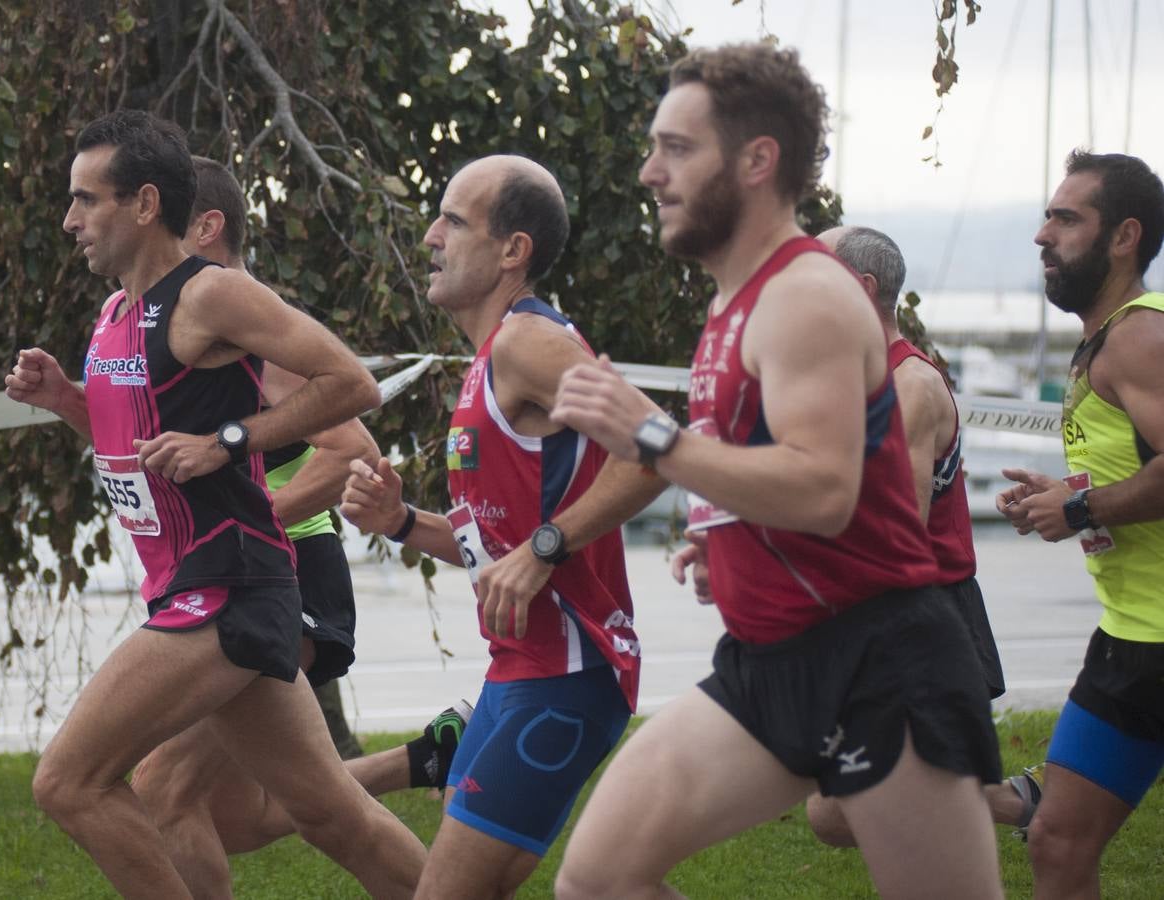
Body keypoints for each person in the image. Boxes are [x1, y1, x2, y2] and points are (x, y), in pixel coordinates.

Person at [549, 44, 1003, 899]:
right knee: (597, 880)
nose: (650, 172)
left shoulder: (807, 296)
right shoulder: (734, 299)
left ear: (758, 159)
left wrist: (651, 435)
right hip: (768, 660)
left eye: (677, 148)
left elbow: (826, 492)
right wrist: (726, 531)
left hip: (880, 664)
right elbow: (778, 464)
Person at [3, 109, 425, 899]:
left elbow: (351, 385)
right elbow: (133, 442)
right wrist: (64, 398)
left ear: (144, 204)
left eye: (86, 200)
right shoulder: (116, 314)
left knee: (68, 781)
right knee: (331, 813)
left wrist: (229, 440)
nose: (69, 221)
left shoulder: (211, 295)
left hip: (226, 588)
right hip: (194, 584)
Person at [126, 156, 470, 897]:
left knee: (160, 788)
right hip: (238, 581)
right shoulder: (189, 324)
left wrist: (246, 517)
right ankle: (430, 758)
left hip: (284, 575)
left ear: (207, 228)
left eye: (165, 230)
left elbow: (354, 451)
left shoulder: (239, 315)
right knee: (251, 817)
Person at [340, 154, 654, 900]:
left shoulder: (526, 344)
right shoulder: (488, 361)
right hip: (518, 669)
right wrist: (403, 521)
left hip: (568, 675)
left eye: (452, 220)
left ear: (514, 251)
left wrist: (548, 548)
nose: (430, 239)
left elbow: (654, 449)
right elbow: (498, 552)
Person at [801, 225, 1031, 846]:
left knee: (846, 808)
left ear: (859, 287)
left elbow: (893, 533)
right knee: (844, 809)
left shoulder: (909, 386)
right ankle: (1023, 806)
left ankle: (1023, 806)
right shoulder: (860, 377)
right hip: (887, 611)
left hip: (921, 614)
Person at [997, 150, 1164, 898]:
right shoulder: (1108, 339)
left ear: (1124, 236)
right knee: (1057, 841)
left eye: (1067, 219)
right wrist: (1064, 493)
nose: (1043, 235)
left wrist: (1080, 507)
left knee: (1058, 840)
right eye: (1047, 215)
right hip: (1135, 639)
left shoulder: (1140, 337)